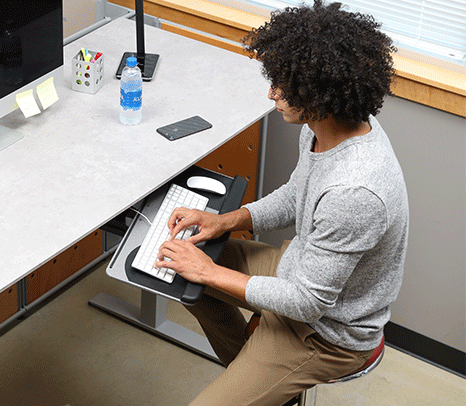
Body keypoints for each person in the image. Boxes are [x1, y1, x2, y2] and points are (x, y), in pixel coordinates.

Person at [154, 1, 409, 405]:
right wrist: (227, 221)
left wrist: (208, 271)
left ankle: (260, 382)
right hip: (297, 274)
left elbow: (307, 303)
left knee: (199, 271)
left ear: (322, 95)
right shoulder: (321, 127)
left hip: (327, 333)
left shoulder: (356, 191)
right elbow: (296, 194)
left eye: (283, 86)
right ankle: (257, 378)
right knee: (183, 268)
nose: (271, 93)